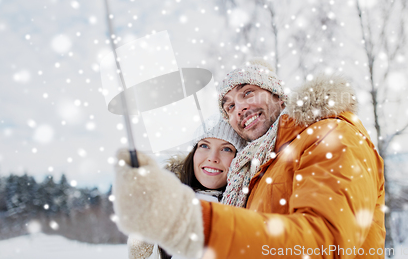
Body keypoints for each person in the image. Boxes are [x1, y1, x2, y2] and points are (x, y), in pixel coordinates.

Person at [113, 59, 386, 259]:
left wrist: (193, 223)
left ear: (279, 98)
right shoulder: (257, 169)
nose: (239, 108)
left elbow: (325, 244)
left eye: (248, 92)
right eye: (229, 105)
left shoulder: (331, 134)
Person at [126, 118, 245, 259]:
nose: (213, 158)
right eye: (204, 146)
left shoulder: (249, 204)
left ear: (239, 159)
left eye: (226, 149)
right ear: (193, 153)